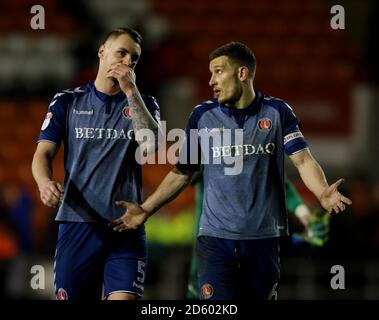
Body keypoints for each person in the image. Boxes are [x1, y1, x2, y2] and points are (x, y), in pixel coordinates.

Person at [109, 41, 352, 300]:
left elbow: (302, 160)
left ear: (242, 73)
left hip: (264, 240)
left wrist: (322, 192)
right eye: (211, 73)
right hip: (215, 241)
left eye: (219, 71)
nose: (212, 80)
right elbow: (183, 171)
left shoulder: (278, 112)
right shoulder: (202, 116)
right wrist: (146, 209)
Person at [31, 27, 162, 300]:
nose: (128, 62)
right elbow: (43, 153)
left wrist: (130, 89)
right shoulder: (68, 101)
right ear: (102, 52)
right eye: (122, 53)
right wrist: (44, 182)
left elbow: (153, 146)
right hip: (77, 224)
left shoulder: (144, 102)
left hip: (125, 227)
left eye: (134, 58)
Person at [186, 169, 330, 299]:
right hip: (213, 244)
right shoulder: (208, 143)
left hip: (253, 243)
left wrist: (304, 215)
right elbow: (185, 174)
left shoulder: (257, 145)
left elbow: (276, 179)